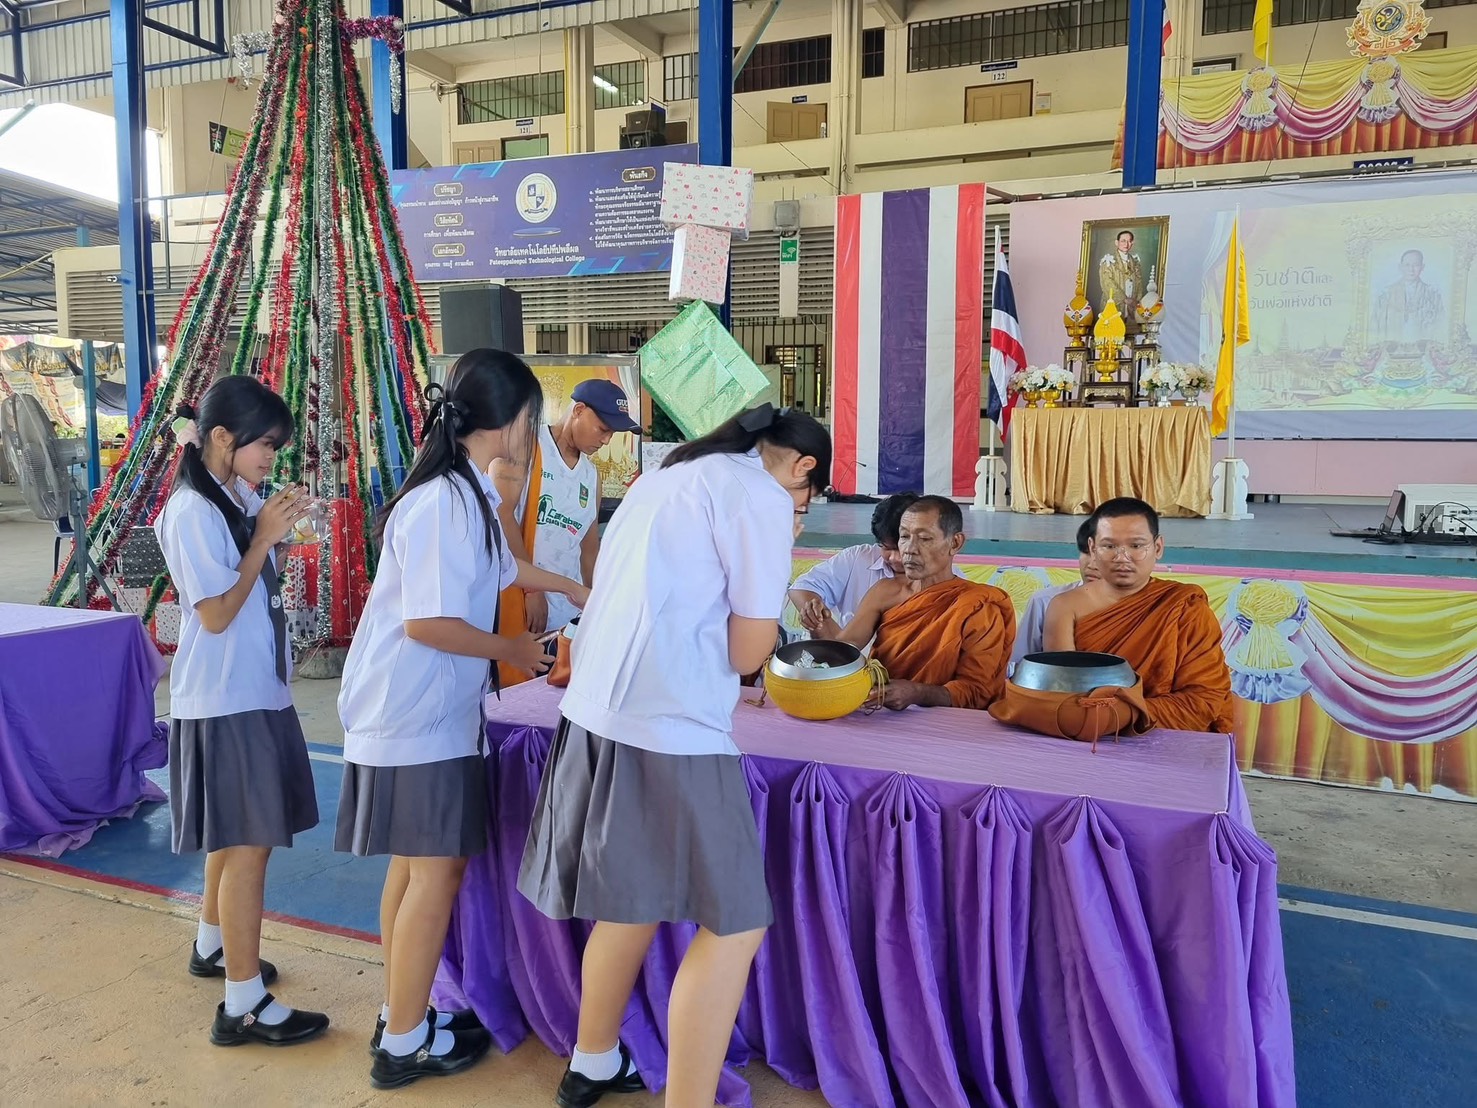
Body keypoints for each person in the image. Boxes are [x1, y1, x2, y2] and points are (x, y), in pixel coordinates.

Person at [518, 403, 829, 1108]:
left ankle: (593, 1060)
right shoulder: (759, 496)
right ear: (802, 467)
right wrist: (779, 547)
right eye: (806, 500)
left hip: (598, 709)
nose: (799, 510)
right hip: (670, 721)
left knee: (631, 904)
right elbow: (748, 654)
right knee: (736, 923)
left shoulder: (670, 472)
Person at [336, 350, 591, 1090]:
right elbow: (428, 623)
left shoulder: (469, 491)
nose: (534, 433)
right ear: (510, 421)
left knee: (415, 868)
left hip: (427, 713)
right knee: (435, 872)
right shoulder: (444, 502)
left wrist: (580, 587)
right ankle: (403, 1043)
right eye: (533, 418)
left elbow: (507, 571)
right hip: (411, 713)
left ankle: (401, 1014)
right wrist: (514, 649)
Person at [154, 376, 327, 1047]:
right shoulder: (191, 511)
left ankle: (212, 944)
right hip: (227, 697)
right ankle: (243, 1004)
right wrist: (262, 541)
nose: (270, 458)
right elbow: (217, 614)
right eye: (264, 445)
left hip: (253, 688)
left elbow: (258, 562)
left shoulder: (232, 493)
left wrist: (278, 528)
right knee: (249, 845)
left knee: (233, 838)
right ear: (222, 437)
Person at [492, 379, 640, 688]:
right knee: (514, 698)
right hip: (519, 605)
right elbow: (501, 515)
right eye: (603, 429)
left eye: (613, 434)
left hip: (565, 621)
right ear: (579, 410)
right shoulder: (525, 447)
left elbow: (588, 550)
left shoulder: (591, 475)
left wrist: (598, 605)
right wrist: (531, 590)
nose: (606, 440)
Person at [1044, 497, 1233, 733]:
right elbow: (1062, 691)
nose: (1122, 558)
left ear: (1158, 548)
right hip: (1088, 736)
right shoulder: (1064, 607)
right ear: (1092, 548)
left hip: (1165, 735)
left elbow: (1203, 698)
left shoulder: (1184, 606)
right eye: (1109, 546)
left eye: (1136, 546)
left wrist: (1120, 714)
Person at [813, 496, 1015, 710]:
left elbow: (976, 692)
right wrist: (817, 624)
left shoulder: (979, 606)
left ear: (955, 543)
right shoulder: (884, 592)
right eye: (904, 536)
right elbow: (844, 651)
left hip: (945, 722)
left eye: (924, 538)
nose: (909, 549)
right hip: (880, 712)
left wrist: (917, 693)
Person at [788, 492, 919, 634]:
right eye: (885, 548)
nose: (894, 558)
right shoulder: (857, 558)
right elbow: (801, 588)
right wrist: (821, 624)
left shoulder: (936, 573)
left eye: (900, 549)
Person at [1007, 518, 1100, 676]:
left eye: (1102, 555)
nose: (1091, 564)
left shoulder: (1139, 606)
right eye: (1086, 552)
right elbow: (1020, 667)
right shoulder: (1044, 601)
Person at [1373, 249, 1444, 346]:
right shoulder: (1386, 295)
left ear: (1422, 267)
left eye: (1416, 265)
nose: (1411, 269)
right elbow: (1376, 326)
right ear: (1400, 267)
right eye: (1407, 265)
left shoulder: (1432, 295)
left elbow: (1441, 326)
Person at [1098, 229, 1144, 316]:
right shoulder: (1108, 261)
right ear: (1117, 242)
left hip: (1132, 306)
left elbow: (1139, 283)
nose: (1126, 244)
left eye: (1129, 241)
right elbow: (1107, 283)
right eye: (1123, 241)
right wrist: (1125, 299)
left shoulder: (1135, 262)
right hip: (1113, 306)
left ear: (1132, 243)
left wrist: (1136, 302)